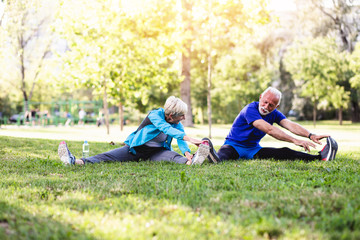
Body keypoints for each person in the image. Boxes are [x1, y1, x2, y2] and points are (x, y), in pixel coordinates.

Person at [58, 96, 207, 165]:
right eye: (181, 115)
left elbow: (179, 138)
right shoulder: (155, 115)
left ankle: (192, 162)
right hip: (134, 149)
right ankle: (74, 161)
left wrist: (187, 153)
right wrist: (190, 138)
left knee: (174, 156)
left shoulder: (176, 123)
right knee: (106, 157)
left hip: (156, 153)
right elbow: (164, 128)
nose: (184, 117)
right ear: (170, 115)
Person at [206, 87, 338, 162]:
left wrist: (310, 135)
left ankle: (321, 157)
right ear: (260, 97)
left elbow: (289, 124)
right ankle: (206, 156)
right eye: (264, 102)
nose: (266, 106)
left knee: (285, 152)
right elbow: (269, 129)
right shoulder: (250, 109)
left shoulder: (274, 113)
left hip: (253, 150)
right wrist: (294, 140)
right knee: (223, 155)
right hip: (234, 145)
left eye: (271, 105)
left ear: (276, 106)